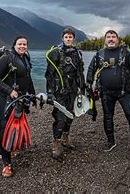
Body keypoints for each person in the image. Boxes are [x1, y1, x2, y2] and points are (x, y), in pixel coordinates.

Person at [86, 30, 130, 162]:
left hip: (125, 92)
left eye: (113, 37)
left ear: (118, 39)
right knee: (108, 118)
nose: (111, 39)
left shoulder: (126, 53)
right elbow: (91, 70)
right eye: (108, 37)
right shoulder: (99, 54)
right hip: (106, 93)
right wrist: (88, 87)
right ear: (104, 40)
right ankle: (111, 142)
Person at [0, 36, 36, 177]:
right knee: (5, 128)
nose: (22, 46)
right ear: (14, 45)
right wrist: (10, 91)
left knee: (15, 127)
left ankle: (9, 149)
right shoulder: (7, 58)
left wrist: (33, 96)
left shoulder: (25, 58)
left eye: (25, 44)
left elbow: (28, 78)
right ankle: (6, 164)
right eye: (20, 44)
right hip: (3, 99)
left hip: (19, 99)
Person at [45, 28, 86, 161]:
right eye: (66, 37)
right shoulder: (55, 53)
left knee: (70, 115)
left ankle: (65, 138)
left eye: (70, 37)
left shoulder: (77, 53)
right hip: (60, 91)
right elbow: (49, 75)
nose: (68, 39)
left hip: (73, 90)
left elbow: (80, 72)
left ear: (73, 38)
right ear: (62, 38)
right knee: (60, 117)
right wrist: (50, 93)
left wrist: (83, 89)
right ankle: (56, 144)